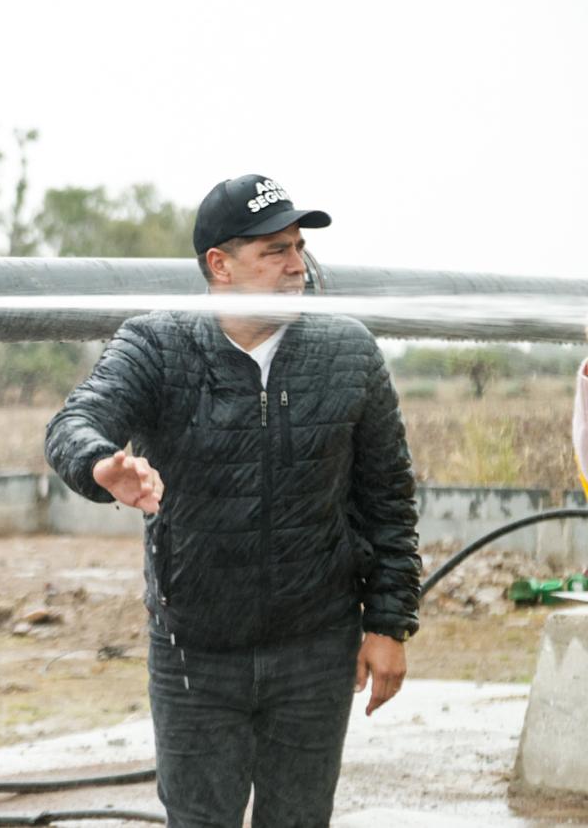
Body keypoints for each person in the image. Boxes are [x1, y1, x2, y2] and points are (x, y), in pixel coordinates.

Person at [45, 174, 421, 827]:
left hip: (315, 653)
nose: (297, 265)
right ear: (219, 264)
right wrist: (100, 463)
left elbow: (387, 499)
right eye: (274, 250)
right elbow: (75, 421)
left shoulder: (348, 352)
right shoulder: (158, 345)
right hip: (197, 657)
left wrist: (389, 625)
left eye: (299, 246)